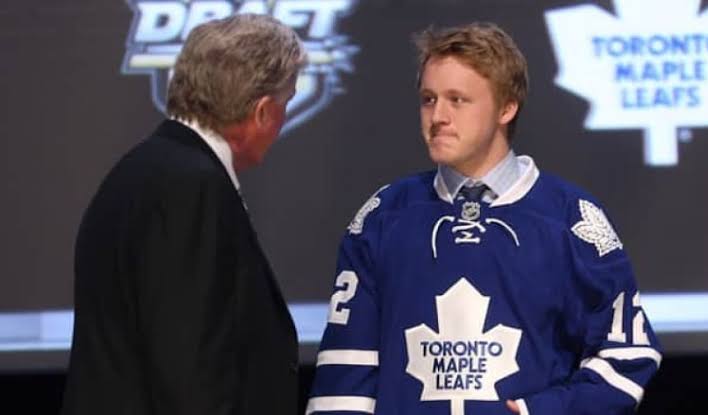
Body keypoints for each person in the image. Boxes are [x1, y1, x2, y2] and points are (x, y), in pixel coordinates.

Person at [306, 22, 661, 415]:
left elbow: (629, 354)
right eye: (428, 99)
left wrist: (544, 411)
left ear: (506, 108)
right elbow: (345, 374)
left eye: (457, 100)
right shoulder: (382, 217)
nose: (438, 116)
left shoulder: (572, 221)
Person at [61, 14, 306, 415]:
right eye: (286, 102)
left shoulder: (143, 168)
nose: (283, 118)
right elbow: (190, 368)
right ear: (262, 111)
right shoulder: (191, 187)